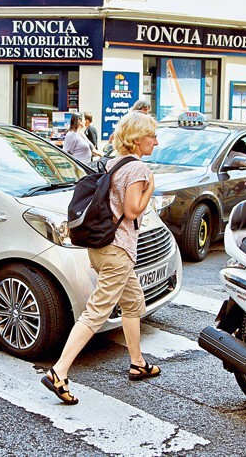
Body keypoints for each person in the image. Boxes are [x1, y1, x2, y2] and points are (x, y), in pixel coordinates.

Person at [42, 112, 160, 405]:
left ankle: (137, 362)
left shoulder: (114, 162)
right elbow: (133, 211)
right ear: (136, 139)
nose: (156, 142)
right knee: (96, 313)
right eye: (151, 137)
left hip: (102, 247)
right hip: (117, 251)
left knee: (133, 303)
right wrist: (151, 190)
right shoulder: (138, 170)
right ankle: (59, 371)